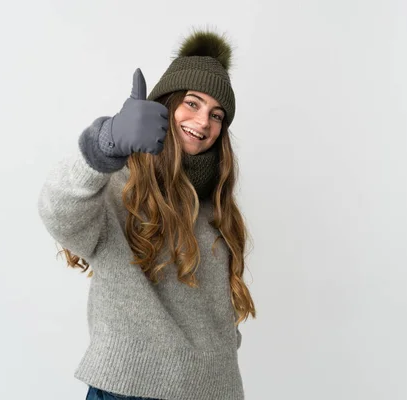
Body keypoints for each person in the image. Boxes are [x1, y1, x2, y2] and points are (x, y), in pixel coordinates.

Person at [38, 29, 256, 400]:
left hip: (213, 390)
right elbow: (58, 211)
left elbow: (217, 316)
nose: (203, 122)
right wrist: (105, 144)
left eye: (216, 115)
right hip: (129, 389)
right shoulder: (122, 183)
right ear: (165, 104)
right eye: (192, 103)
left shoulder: (215, 203)